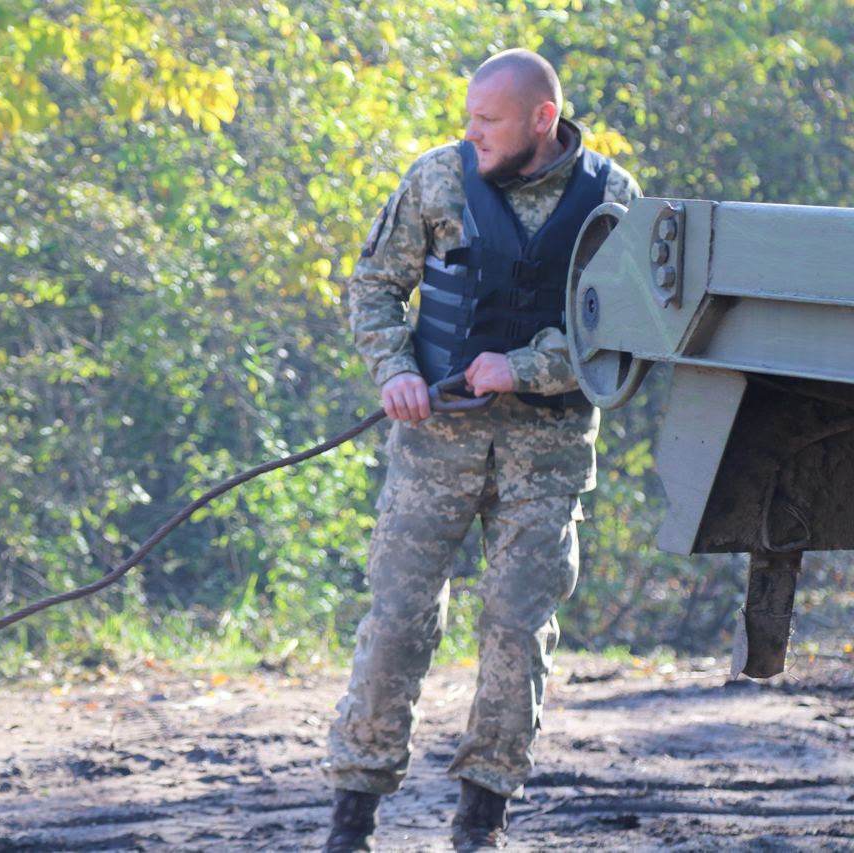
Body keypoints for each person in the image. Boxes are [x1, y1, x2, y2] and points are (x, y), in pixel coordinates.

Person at [322, 50, 640, 852]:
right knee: (397, 621)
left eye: (487, 121)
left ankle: (480, 820)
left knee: (515, 629)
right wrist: (395, 370)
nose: (472, 133)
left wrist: (526, 368)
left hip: (549, 455)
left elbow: (632, 335)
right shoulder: (436, 179)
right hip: (435, 446)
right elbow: (373, 286)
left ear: (542, 119)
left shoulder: (613, 202)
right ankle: (353, 816)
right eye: (468, 118)